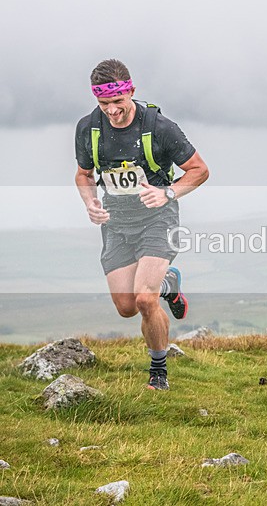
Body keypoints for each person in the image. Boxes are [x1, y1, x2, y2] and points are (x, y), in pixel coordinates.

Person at [74, 59, 209, 391]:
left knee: (146, 299)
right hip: (117, 221)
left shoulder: (159, 127)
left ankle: (158, 370)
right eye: (104, 104)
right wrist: (90, 201)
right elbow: (83, 175)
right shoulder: (88, 128)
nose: (112, 111)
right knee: (127, 307)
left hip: (157, 220)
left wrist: (167, 193)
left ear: (131, 91)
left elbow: (199, 170)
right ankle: (169, 284)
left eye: (118, 102)